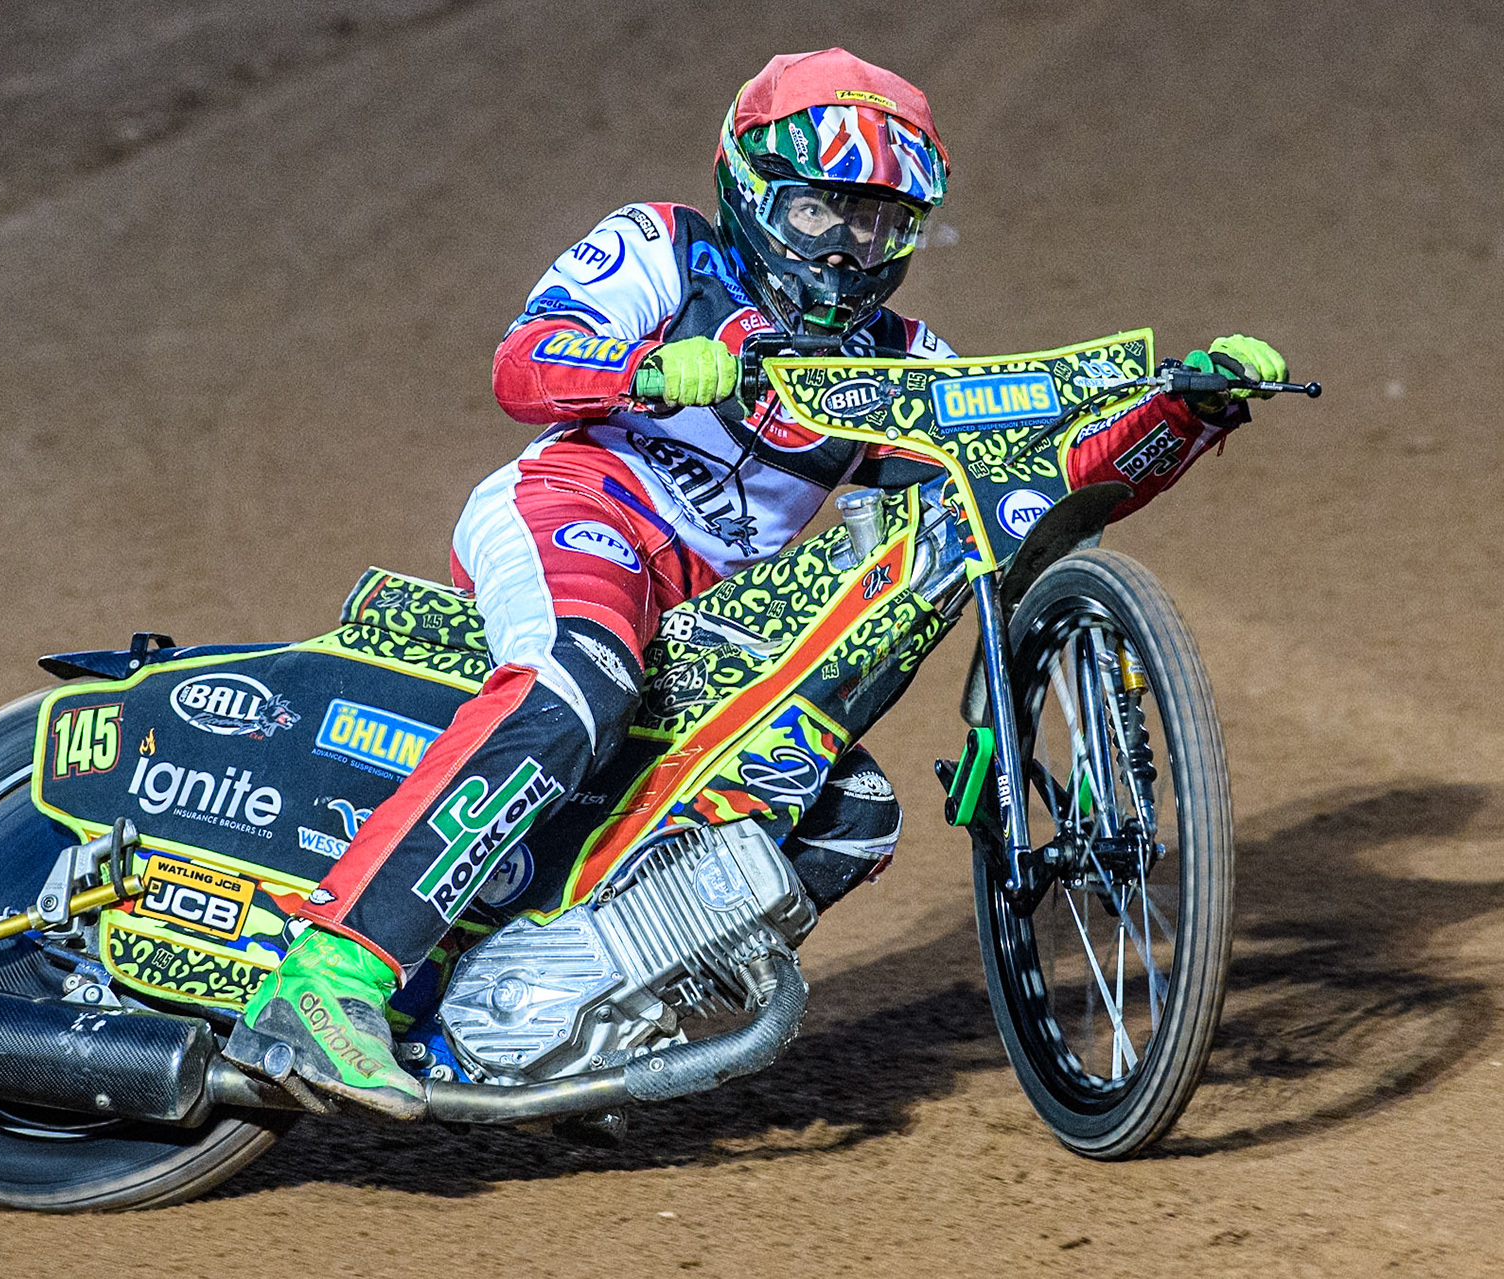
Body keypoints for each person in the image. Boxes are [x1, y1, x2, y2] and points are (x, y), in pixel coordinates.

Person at [226, 48, 1286, 1117]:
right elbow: (523, 364)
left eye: (875, 221)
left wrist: (1180, 415)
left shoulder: (905, 360)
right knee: (580, 679)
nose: (846, 246)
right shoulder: (663, 247)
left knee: (847, 813)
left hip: (712, 607)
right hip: (574, 513)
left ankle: (567, 1011)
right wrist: (645, 368)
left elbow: (1014, 492)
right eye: (822, 210)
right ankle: (332, 974)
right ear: (749, 187)